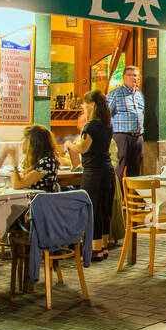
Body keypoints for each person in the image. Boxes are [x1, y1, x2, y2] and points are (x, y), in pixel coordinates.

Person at [60, 91, 113, 261]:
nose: (82, 106)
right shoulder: (107, 124)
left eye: (84, 104)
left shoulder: (90, 126)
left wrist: (69, 144)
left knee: (93, 209)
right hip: (108, 171)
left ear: (91, 105)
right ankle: (103, 247)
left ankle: (94, 249)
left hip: (94, 172)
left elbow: (84, 148)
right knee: (105, 210)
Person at [106, 65, 145, 183]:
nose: (134, 78)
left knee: (135, 171)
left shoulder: (140, 95)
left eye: (136, 75)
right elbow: (105, 114)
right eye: (130, 75)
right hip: (121, 136)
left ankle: (131, 200)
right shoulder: (115, 94)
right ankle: (117, 199)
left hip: (138, 137)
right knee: (118, 169)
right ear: (124, 77)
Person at [11, 124, 64, 194]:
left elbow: (17, 185)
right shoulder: (40, 161)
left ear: (31, 141)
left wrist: (14, 163)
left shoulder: (46, 162)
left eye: (22, 139)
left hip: (42, 202)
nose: (21, 143)